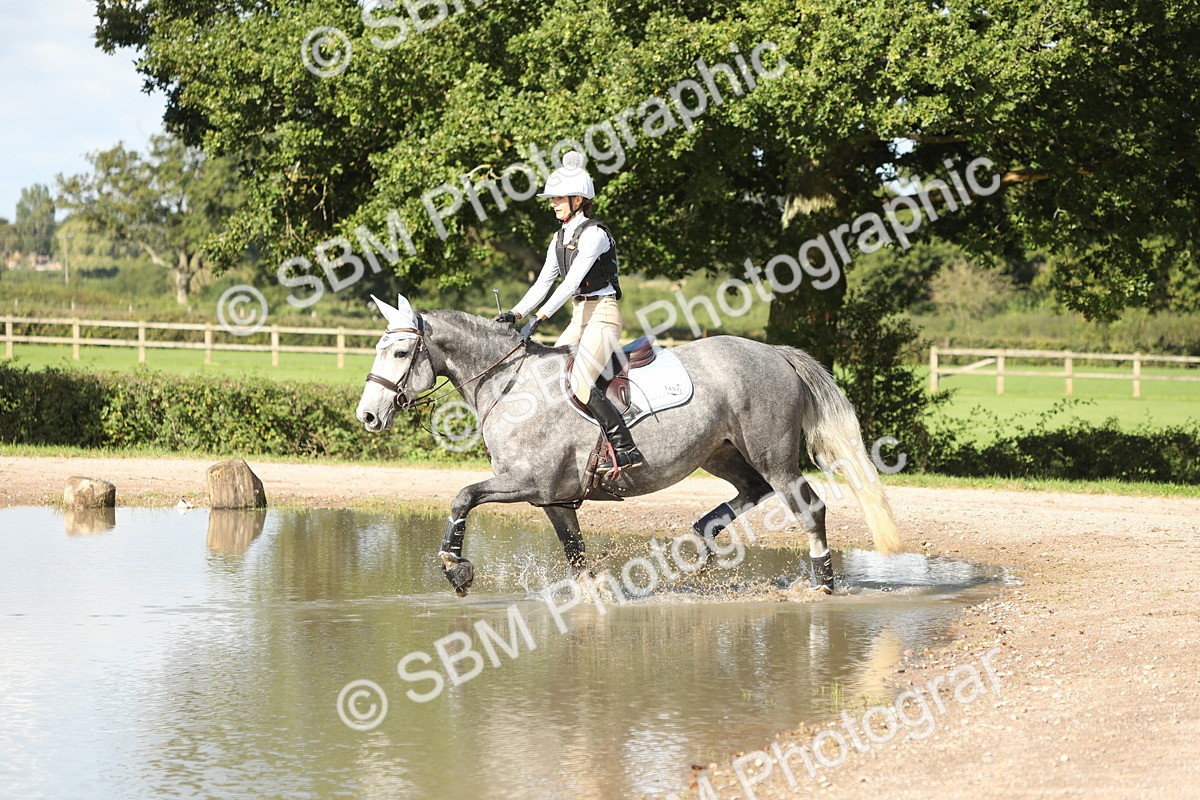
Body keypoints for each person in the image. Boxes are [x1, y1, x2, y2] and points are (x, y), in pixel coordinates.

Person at [493, 151, 644, 476]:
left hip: (603, 316)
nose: (552, 203)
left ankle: (625, 448)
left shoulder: (594, 235)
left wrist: (541, 318)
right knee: (548, 376)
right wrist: (516, 314)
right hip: (579, 316)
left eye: (558, 198)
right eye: (552, 199)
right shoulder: (559, 238)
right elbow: (545, 282)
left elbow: (572, 281)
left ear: (578, 199)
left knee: (579, 382)